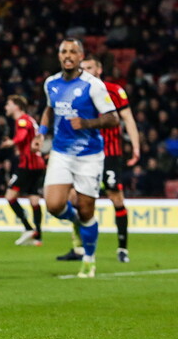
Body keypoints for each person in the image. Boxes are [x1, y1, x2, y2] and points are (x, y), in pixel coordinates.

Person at [32, 39, 118, 278]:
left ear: (81, 56)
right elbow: (49, 109)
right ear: (59, 56)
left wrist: (88, 123)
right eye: (63, 51)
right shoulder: (51, 83)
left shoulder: (94, 85)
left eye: (72, 51)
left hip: (89, 155)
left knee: (86, 210)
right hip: (60, 152)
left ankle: (89, 259)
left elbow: (113, 118)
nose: (68, 55)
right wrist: (41, 134)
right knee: (54, 205)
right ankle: (77, 223)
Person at [56, 56, 141, 263]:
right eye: (82, 67)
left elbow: (128, 118)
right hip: (83, 153)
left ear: (99, 69)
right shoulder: (75, 91)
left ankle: (122, 248)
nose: (85, 71)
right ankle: (78, 249)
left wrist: (136, 147)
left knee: (116, 198)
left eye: (90, 67)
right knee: (74, 198)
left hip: (109, 154)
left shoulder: (114, 91)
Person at [1, 95, 45, 246]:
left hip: (27, 165)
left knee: (10, 196)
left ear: (16, 106)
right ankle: (38, 236)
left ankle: (27, 228)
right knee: (34, 199)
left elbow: (21, 136)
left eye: (8, 104)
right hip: (38, 165)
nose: (6, 107)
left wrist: (11, 142)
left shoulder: (22, 121)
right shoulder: (30, 120)